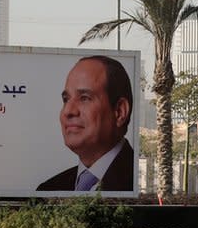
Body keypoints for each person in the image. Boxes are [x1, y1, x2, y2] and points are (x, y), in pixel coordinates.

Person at [37, 55, 134, 191]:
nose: (68, 111)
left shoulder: (137, 183)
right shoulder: (48, 189)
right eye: (66, 99)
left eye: (84, 98)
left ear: (119, 111)